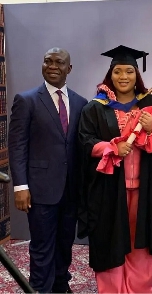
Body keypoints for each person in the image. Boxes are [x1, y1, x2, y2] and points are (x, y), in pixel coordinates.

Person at [77, 45, 152, 293]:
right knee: (111, 238)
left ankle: (139, 288)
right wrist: (111, 148)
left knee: (139, 240)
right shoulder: (95, 108)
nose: (123, 77)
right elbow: (85, 140)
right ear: (110, 75)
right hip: (109, 188)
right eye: (118, 71)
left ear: (136, 75)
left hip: (145, 188)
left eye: (129, 71)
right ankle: (112, 289)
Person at [8, 47, 88, 293]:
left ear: (69, 69)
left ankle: (61, 287)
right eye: (47, 61)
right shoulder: (27, 100)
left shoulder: (80, 102)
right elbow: (17, 145)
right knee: (42, 248)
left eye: (59, 62)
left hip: (70, 191)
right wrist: (21, 186)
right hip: (40, 190)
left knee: (65, 245)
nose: (53, 66)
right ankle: (40, 289)